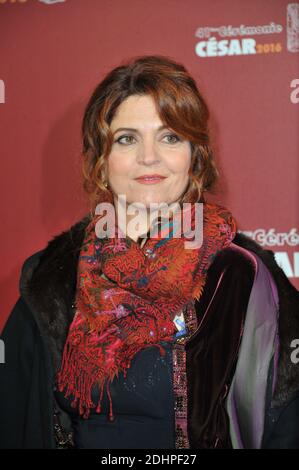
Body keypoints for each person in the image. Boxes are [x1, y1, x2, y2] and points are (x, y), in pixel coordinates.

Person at [0, 55, 298, 450]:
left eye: (170, 136)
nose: (149, 156)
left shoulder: (243, 277)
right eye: (127, 138)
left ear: (195, 157)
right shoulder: (51, 280)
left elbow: (286, 427)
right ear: (101, 161)